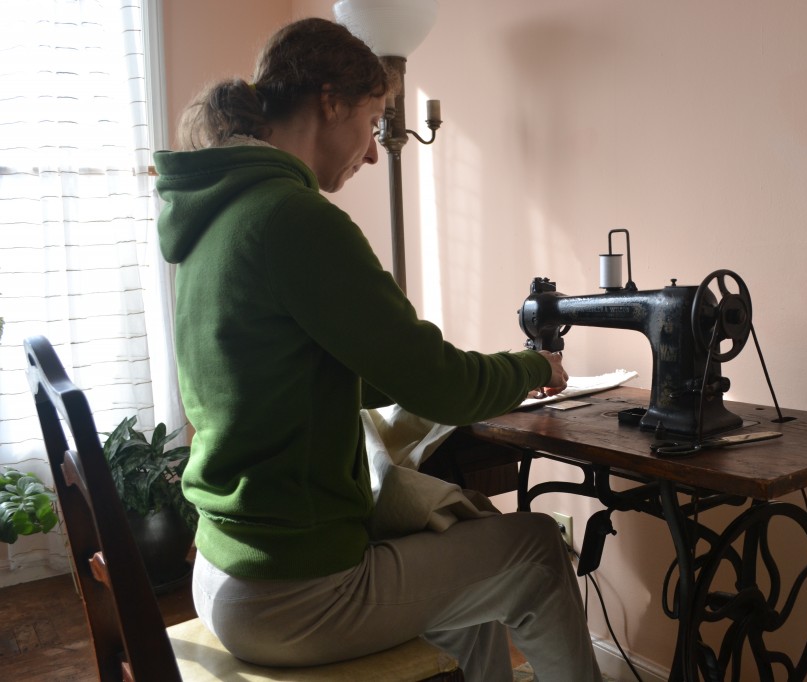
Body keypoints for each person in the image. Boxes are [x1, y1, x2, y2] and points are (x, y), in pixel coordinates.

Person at [154, 16, 602, 682]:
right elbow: (437, 383)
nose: (371, 152)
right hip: (295, 594)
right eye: (371, 120)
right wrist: (534, 366)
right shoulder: (293, 218)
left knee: (465, 570)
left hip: (225, 571)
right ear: (329, 100)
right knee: (534, 549)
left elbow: (329, 375)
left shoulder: (213, 220)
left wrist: (439, 375)